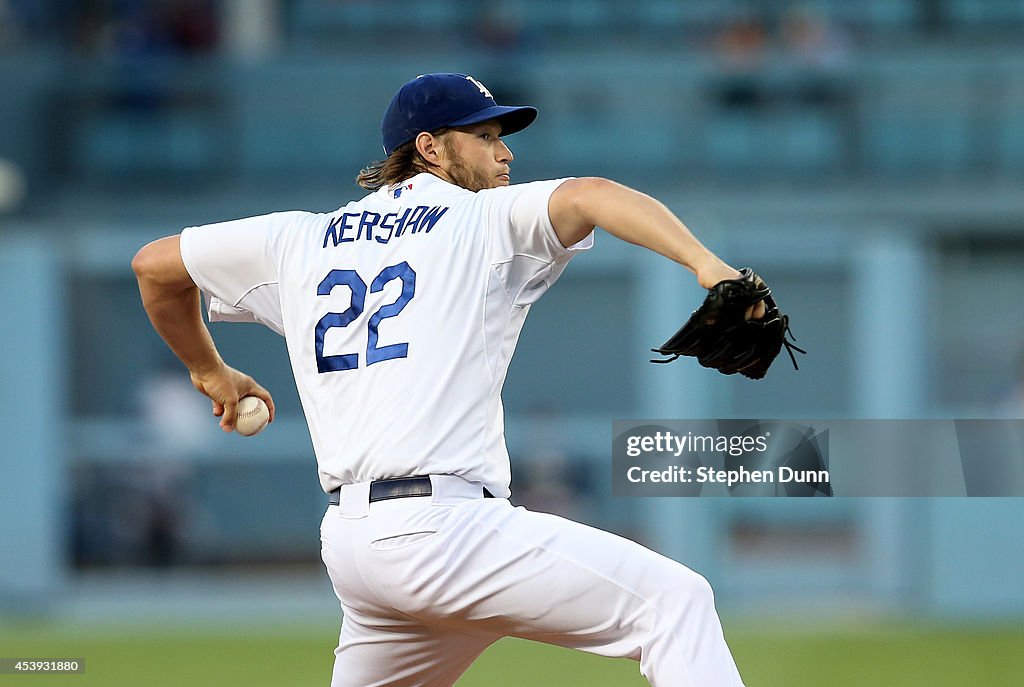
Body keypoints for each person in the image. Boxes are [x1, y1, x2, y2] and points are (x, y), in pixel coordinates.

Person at [133, 73, 750, 687]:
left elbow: (154, 266)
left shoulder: (300, 237)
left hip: (355, 546)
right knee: (675, 603)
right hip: (447, 534)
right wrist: (708, 265)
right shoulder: (477, 219)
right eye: (484, 136)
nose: (504, 152)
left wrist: (207, 369)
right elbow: (591, 194)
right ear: (429, 148)